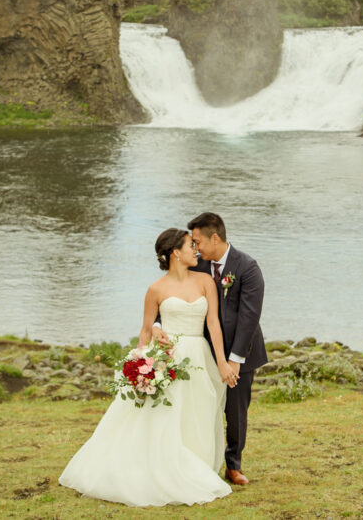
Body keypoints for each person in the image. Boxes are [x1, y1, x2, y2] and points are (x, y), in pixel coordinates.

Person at [58, 228, 236, 507]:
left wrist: (222, 362)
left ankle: (197, 467)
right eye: (191, 246)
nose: (196, 250)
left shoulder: (205, 282)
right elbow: (144, 331)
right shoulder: (156, 289)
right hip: (169, 357)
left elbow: (213, 324)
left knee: (198, 409)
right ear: (175, 253)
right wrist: (143, 364)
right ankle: (164, 466)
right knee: (167, 415)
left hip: (200, 355)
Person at [153, 212, 267, 487]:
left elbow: (249, 317)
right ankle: (195, 459)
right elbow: (171, 294)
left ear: (214, 238)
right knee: (201, 406)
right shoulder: (197, 263)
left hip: (242, 350)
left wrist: (235, 359)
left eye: (198, 241)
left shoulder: (247, 268)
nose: (195, 246)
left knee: (236, 410)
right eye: (191, 242)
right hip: (201, 350)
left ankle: (233, 465)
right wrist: (158, 324)